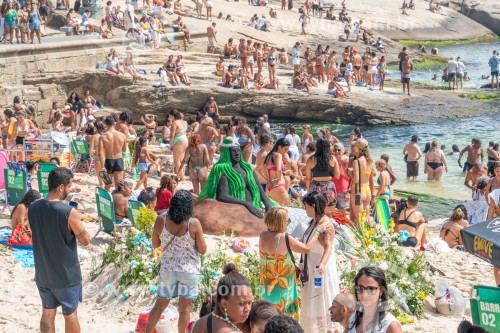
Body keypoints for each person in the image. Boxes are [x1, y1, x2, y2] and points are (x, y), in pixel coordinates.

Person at [28, 168, 90, 333]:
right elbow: (85, 241)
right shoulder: (69, 212)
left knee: (47, 312)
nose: (70, 190)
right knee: (70, 315)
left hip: (43, 273)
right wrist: (77, 217)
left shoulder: (32, 208)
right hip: (66, 275)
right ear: (61, 187)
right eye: (69, 186)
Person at [147, 190, 207, 333]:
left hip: (168, 269)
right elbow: (202, 250)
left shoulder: (161, 219)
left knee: (159, 306)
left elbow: (156, 244)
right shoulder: (193, 224)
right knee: (184, 311)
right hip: (188, 270)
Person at [259, 207, 332, 319]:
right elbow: (307, 248)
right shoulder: (284, 238)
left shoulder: (263, 235)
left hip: (266, 284)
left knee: (267, 315)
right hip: (283, 287)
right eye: (287, 221)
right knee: (283, 318)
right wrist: (318, 231)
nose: (288, 223)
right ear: (281, 222)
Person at [300, 191, 339, 333]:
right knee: (313, 300)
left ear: (314, 206)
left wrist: (322, 264)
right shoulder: (314, 221)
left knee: (322, 299)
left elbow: (328, 246)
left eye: (306, 206)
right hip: (311, 267)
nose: (305, 209)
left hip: (320, 268)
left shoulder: (324, 223)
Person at [191, 263, 253, 333]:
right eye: (241, 303)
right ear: (224, 303)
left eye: (249, 302)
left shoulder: (199, 323)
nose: (247, 309)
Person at [348, 266, 402, 333]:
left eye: (371, 289)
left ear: (381, 291)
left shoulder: (391, 326)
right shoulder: (354, 317)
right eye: (360, 288)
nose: (365, 294)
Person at [305, 138, 340, 213]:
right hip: (329, 187)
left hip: (315, 187)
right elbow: (337, 176)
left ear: (317, 147)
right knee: (329, 214)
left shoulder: (311, 159)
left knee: (316, 214)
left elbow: (308, 178)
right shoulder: (332, 158)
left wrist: (308, 191)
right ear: (327, 147)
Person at [99, 116, 128, 190]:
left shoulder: (103, 136)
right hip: (119, 160)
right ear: (114, 123)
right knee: (119, 185)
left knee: (107, 185)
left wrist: (102, 166)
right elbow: (124, 150)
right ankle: (116, 200)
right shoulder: (122, 135)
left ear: (105, 123)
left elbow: (100, 152)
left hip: (109, 160)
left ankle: (107, 200)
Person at [350, 138, 374, 223]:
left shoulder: (357, 162)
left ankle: (362, 236)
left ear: (359, 149)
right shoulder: (370, 161)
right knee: (367, 218)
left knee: (360, 220)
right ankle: (370, 234)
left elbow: (356, 180)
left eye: (355, 146)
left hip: (358, 191)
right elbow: (371, 180)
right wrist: (373, 195)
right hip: (367, 191)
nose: (353, 148)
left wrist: (350, 173)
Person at [264, 138, 291, 206]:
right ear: (279, 147)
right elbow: (278, 169)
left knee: (273, 212)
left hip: (269, 187)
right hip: (278, 186)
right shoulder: (278, 155)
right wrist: (283, 174)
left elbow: (264, 170)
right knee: (287, 208)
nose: (286, 151)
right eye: (285, 149)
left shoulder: (269, 156)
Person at [169, 109, 188, 182]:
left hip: (178, 140)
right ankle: (182, 176)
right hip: (185, 139)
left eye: (170, 115)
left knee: (176, 160)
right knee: (182, 160)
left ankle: (182, 178)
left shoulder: (174, 123)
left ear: (172, 115)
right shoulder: (185, 122)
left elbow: (172, 135)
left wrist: (170, 145)